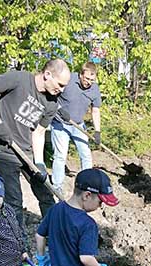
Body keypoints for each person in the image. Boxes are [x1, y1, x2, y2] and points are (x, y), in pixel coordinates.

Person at [0, 59, 71, 236]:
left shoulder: (51, 103)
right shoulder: (19, 79)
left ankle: (56, 236)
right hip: (5, 151)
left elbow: (39, 133)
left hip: (28, 154)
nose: (62, 89)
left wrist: (40, 163)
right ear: (47, 74)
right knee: (14, 201)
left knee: (46, 195)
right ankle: (19, 244)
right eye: (60, 84)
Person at [51, 62, 102, 193]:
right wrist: (59, 109)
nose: (89, 82)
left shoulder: (94, 89)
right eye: (86, 79)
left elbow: (95, 110)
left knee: (85, 154)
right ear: (80, 75)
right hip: (60, 124)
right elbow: (51, 95)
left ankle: (87, 184)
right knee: (60, 156)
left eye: (92, 80)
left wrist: (97, 131)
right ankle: (57, 186)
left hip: (78, 125)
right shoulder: (68, 80)